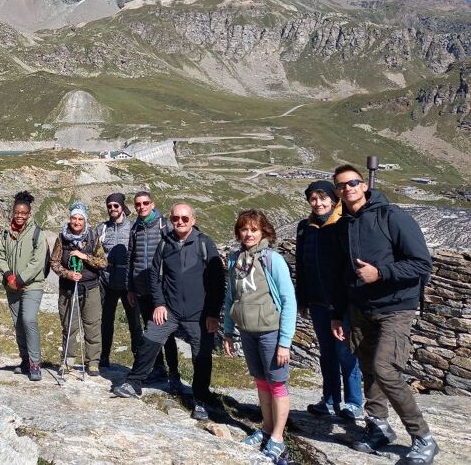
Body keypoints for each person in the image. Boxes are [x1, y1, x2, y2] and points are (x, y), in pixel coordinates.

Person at [330, 165, 438, 464]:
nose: (348, 188)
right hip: (361, 309)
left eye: (353, 182)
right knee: (368, 369)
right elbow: (343, 275)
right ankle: (378, 426)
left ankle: (423, 438)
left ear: (363, 185)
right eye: (341, 185)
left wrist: (381, 273)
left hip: (395, 307)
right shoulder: (343, 227)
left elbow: (421, 264)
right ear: (337, 192)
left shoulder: (392, 216)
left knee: (386, 370)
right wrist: (338, 314)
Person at [112, 202, 224, 422]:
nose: (179, 222)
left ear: (193, 219)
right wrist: (160, 304)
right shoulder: (165, 243)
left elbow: (217, 281)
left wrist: (212, 314)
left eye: (184, 218)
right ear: (170, 220)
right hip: (170, 310)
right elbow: (154, 276)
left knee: (201, 356)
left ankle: (200, 398)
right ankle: (134, 383)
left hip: (198, 314)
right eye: (175, 219)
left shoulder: (204, 243)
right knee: (149, 339)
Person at [224, 209, 297, 464]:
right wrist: (228, 331)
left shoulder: (272, 259)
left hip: (270, 331)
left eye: (254, 229)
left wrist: (285, 342)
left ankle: (277, 438)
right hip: (247, 331)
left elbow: (289, 301)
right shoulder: (235, 260)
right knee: (261, 382)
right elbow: (230, 298)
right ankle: (266, 428)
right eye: (244, 229)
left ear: (264, 231)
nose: (248, 234)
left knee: (277, 383)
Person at [296, 180, 364, 420]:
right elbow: (302, 264)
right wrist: (301, 298)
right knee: (326, 353)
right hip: (316, 302)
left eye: (323, 198)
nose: (318, 203)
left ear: (334, 200)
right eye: (313, 199)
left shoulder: (342, 225)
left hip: (342, 303)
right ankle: (330, 400)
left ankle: (354, 403)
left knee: (346, 353)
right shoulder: (305, 227)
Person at [124, 191, 179, 386]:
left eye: (145, 203)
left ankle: (174, 373)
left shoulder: (165, 225)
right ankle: (158, 369)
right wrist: (130, 288)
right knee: (150, 332)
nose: (142, 207)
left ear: (152, 204)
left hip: (163, 290)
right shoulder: (135, 228)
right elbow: (131, 258)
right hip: (142, 288)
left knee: (167, 333)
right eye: (138, 204)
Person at [51, 201, 107, 376]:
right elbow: (54, 262)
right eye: (74, 218)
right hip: (68, 289)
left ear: (85, 221)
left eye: (80, 219)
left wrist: (85, 256)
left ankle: (93, 362)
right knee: (69, 326)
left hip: (90, 288)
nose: (76, 222)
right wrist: (67, 274)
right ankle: (68, 361)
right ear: (70, 219)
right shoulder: (62, 238)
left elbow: (103, 262)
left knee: (92, 325)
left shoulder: (92, 237)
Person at [0, 190, 48, 382]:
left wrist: (20, 279)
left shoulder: (37, 233)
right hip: (12, 286)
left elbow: (37, 262)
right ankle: (25, 360)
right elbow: (0, 254)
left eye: (23, 213)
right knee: (18, 324)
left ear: (29, 213)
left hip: (32, 285)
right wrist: (9, 276)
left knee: (28, 320)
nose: (19, 215)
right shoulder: (6, 232)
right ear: (13, 211)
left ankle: (36, 363)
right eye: (16, 212)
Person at [97, 192, 140, 368]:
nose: (112, 209)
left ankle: (138, 359)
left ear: (122, 206)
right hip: (106, 281)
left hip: (128, 283)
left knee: (134, 322)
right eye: (109, 206)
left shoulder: (133, 227)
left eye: (116, 205)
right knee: (106, 321)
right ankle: (104, 356)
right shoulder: (101, 228)